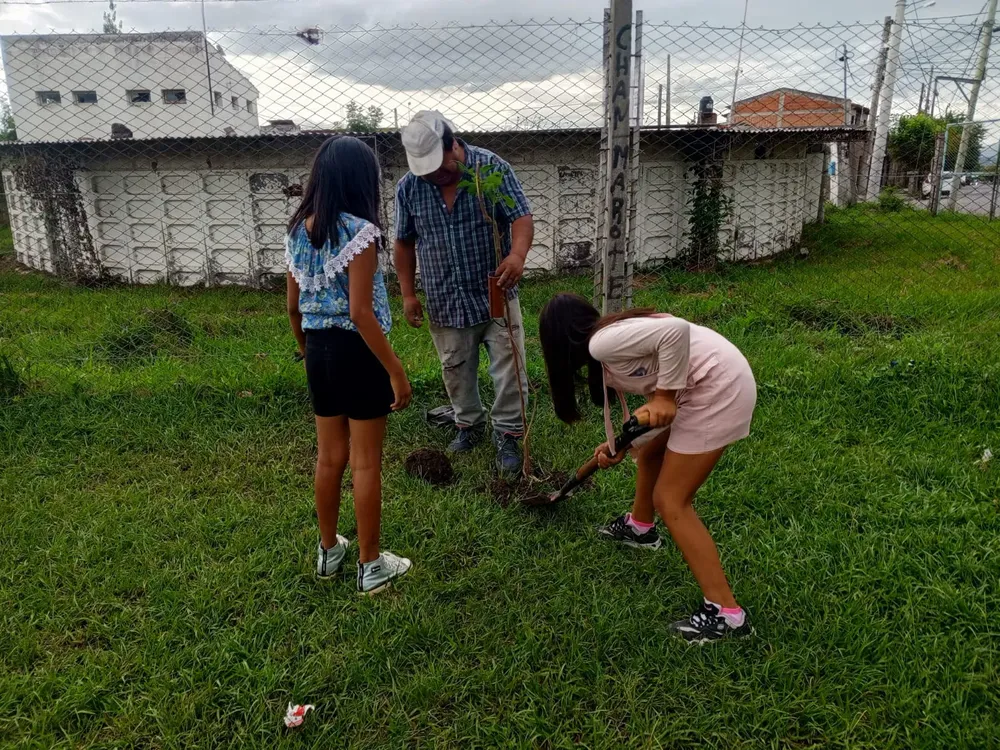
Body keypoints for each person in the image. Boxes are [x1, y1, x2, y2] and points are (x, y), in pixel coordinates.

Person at [539, 293, 757, 643]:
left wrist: (665, 396)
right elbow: (656, 413)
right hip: (703, 386)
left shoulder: (602, 342)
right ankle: (640, 529)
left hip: (717, 387)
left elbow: (675, 331)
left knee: (672, 500)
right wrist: (625, 444)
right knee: (651, 454)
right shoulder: (610, 349)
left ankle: (727, 614)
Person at [285, 135, 413, 596]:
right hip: (359, 355)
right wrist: (395, 369)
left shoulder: (300, 230)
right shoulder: (360, 233)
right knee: (365, 464)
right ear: (362, 180)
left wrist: (305, 349)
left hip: (317, 353)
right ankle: (371, 565)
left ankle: (327, 552)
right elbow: (360, 313)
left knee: (328, 457)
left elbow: (293, 308)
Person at [394, 111, 534, 475]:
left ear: (453, 145)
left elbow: (520, 217)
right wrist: (409, 294)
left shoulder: (490, 169)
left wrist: (517, 255)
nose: (434, 175)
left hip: (494, 289)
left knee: (509, 364)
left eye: (438, 165)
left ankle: (508, 433)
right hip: (444, 295)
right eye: (425, 169)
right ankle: (467, 424)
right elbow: (404, 243)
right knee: (454, 366)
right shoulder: (409, 187)